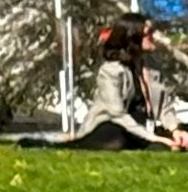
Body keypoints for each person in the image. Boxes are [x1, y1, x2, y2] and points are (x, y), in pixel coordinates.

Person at [67, 15, 186, 150]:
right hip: (111, 126)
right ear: (133, 36)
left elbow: (163, 107)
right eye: (149, 33)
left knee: (172, 142)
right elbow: (117, 114)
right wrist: (153, 138)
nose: (155, 36)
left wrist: (175, 129)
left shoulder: (152, 66)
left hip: (143, 128)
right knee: (116, 139)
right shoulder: (110, 71)